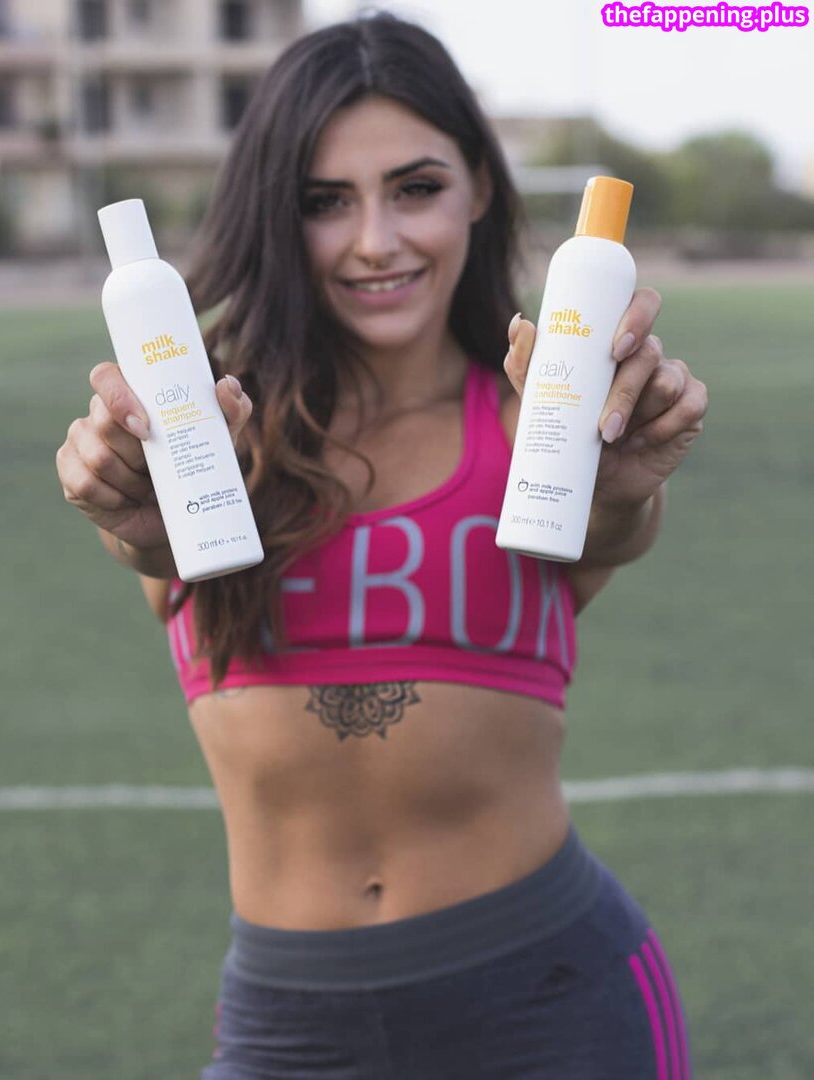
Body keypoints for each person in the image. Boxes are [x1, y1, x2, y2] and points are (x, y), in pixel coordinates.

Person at [56, 10, 708, 1078]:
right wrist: (126, 512)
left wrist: (624, 479)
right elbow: (156, 558)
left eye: (416, 188)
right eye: (326, 201)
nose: (375, 240)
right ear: (279, 214)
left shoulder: (545, 419)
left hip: (554, 1003)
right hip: (288, 1024)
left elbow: (613, 525)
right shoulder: (203, 427)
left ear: (479, 188)